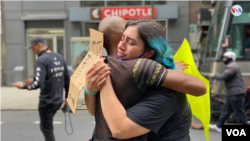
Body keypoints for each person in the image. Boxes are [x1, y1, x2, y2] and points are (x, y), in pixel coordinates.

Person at [85, 18, 206, 140]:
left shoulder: (163, 89)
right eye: (122, 38)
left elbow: (120, 129)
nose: (120, 46)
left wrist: (104, 76)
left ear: (149, 53)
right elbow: (96, 112)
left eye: (131, 42)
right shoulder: (125, 74)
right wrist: (90, 90)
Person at [12, 35, 70, 141]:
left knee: (47, 130)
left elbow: (37, 83)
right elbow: (67, 79)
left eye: (33, 47)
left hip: (47, 102)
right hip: (58, 101)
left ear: (39, 45)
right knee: (45, 127)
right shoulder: (59, 57)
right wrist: (67, 97)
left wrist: (23, 86)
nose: (32, 50)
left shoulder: (41, 60)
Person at [209, 51, 248, 132]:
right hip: (233, 93)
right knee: (226, 110)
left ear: (230, 58)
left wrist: (215, 76)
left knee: (239, 112)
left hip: (236, 93)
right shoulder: (232, 65)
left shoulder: (232, 66)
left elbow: (225, 76)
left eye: (225, 58)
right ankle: (219, 126)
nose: (223, 59)